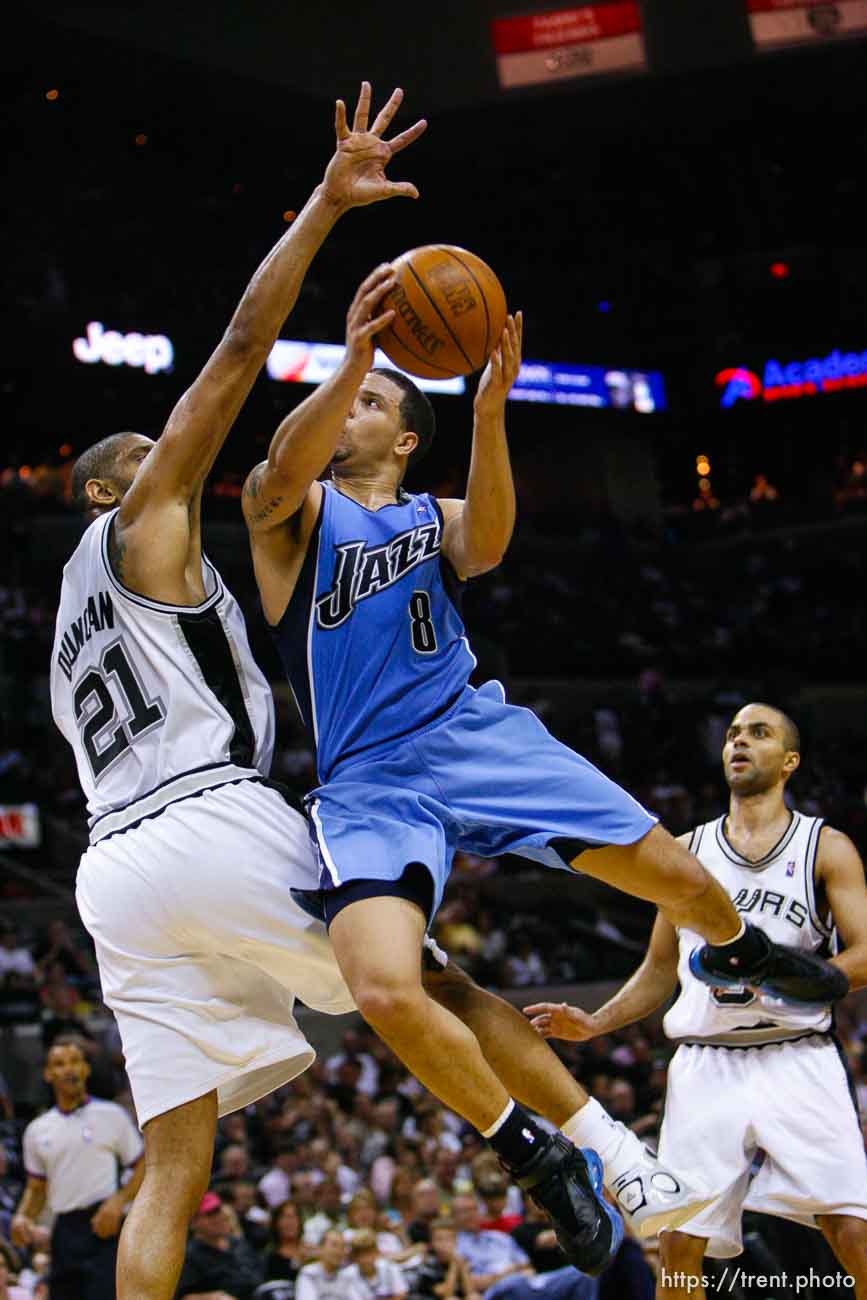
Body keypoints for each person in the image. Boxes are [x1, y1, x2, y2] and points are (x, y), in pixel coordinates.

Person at [241, 253, 839, 1273]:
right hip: (369, 779)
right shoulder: (293, 512)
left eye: (373, 398)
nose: (348, 407)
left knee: (687, 883)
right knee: (386, 987)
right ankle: (543, 1153)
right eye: (345, 395)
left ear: (404, 436)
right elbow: (267, 482)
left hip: (476, 737)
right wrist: (351, 358)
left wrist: (489, 409)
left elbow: (494, 542)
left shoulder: (432, 518)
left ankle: (738, 949)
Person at [47, 81, 426, 1300]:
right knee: (409, 968)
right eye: (150, 460)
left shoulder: (66, 617)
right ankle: (573, 1160)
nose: (175, 462)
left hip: (115, 871)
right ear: (117, 491)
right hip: (204, 814)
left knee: (175, 1156)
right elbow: (235, 353)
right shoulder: (146, 520)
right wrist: (323, 205)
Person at [526, 702, 867, 1299]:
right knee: (680, 1244)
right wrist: (597, 1022)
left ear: (788, 761)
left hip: (798, 1054)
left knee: (851, 1231)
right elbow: (661, 967)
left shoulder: (825, 847)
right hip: (705, 1063)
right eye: (733, 734)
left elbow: (863, 953)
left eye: (758, 734)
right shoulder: (687, 851)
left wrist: (816, 979)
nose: (739, 743)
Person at [11, 1037, 145, 1300]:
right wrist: (22, 1216)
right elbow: (36, 1187)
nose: (69, 1069)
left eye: (75, 1062)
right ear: (48, 1074)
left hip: (104, 1224)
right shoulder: (37, 1130)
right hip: (65, 1231)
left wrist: (119, 1201)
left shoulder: (112, 1115)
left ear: (86, 1069)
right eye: (60, 1064)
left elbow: (143, 1166)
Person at [175, 1191, 264, 1300]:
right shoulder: (189, 1257)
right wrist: (210, 1297)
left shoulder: (239, 1244)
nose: (219, 1217)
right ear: (193, 1223)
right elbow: (181, 1296)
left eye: (218, 1211)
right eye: (210, 1214)